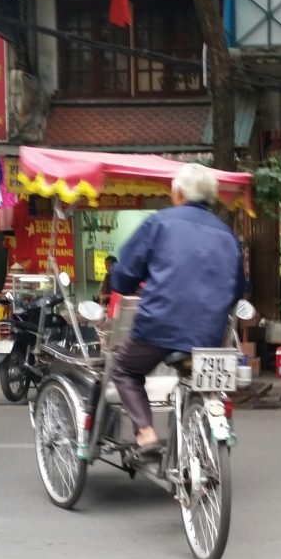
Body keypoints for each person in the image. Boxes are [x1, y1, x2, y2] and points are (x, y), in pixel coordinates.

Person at [110, 164, 245, 455]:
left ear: (179, 193)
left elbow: (124, 277)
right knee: (204, 384)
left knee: (125, 370)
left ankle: (146, 434)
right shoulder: (227, 235)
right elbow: (237, 291)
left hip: (159, 328)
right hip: (209, 335)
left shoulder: (159, 223)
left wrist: (122, 281)